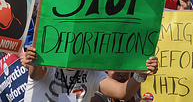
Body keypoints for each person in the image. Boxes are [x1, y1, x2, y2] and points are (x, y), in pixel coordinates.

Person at [21, 46, 158, 102]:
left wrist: (140, 74)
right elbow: (35, 74)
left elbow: (122, 92)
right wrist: (33, 60)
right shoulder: (47, 63)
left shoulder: (92, 73)